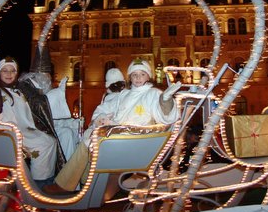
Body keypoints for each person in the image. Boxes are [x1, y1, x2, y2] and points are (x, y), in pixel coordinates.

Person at [43, 58, 182, 194]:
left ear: (148, 76)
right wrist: (101, 119)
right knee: (89, 140)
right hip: (119, 136)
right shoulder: (124, 94)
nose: (138, 78)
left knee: (91, 141)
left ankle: (67, 184)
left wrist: (166, 100)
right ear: (130, 78)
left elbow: (164, 116)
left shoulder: (153, 93)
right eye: (134, 75)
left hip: (135, 140)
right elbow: (107, 110)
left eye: (142, 74)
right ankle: (83, 184)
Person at [0, 56, 65, 187]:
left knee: (50, 141)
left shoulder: (18, 91)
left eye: (12, 71)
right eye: (5, 71)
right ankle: (41, 183)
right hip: (9, 132)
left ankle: (43, 181)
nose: (9, 74)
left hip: (24, 129)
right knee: (44, 144)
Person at [81, 67, 126, 147]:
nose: (117, 87)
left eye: (118, 84)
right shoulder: (108, 99)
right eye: (114, 85)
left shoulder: (125, 97)